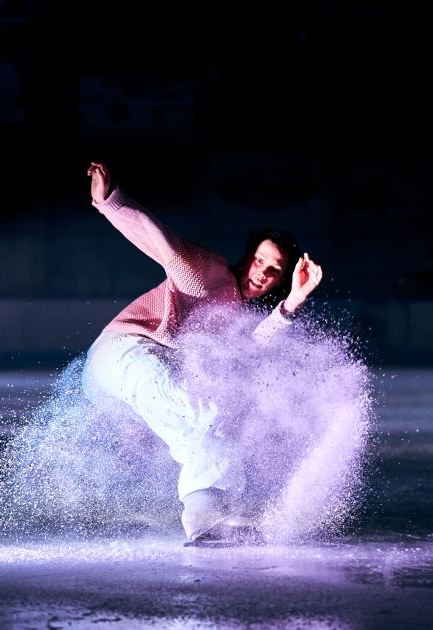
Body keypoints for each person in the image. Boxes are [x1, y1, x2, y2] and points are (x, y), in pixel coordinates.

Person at [81, 162, 323, 542]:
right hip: (123, 352)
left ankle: (207, 516)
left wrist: (294, 300)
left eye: (274, 270)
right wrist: (110, 201)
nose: (262, 272)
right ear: (247, 257)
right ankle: (209, 513)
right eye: (259, 261)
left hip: (137, 383)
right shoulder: (209, 272)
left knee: (211, 434)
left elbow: (252, 349)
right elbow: (163, 244)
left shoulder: (238, 316)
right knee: (206, 411)